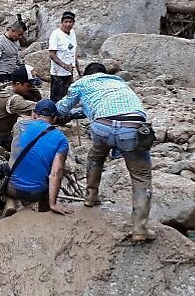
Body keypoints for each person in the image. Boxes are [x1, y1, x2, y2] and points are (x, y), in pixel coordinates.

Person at [57, 63, 155, 242]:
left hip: (102, 127)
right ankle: (140, 228)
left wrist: (54, 111)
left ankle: (90, 196)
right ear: (104, 73)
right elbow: (109, 109)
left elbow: (63, 108)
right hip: (133, 128)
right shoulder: (120, 83)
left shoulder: (82, 83)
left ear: (86, 74)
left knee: (96, 156)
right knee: (141, 177)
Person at [4, 99, 73, 215]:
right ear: (54, 119)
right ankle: (44, 211)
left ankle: (9, 202)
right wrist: (53, 204)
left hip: (12, 189)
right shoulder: (61, 139)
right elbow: (56, 173)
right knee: (49, 171)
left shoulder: (19, 126)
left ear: (33, 114)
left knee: (4, 168)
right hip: (37, 193)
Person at [48, 11, 79, 102]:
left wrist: (78, 67)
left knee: (67, 95)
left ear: (73, 23)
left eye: (70, 22)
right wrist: (64, 65)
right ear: (62, 23)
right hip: (58, 72)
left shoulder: (72, 33)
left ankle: (66, 114)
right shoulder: (56, 34)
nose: (68, 24)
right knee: (57, 97)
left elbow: (73, 51)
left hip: (70, 71)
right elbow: (52, 54)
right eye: (66, 22)